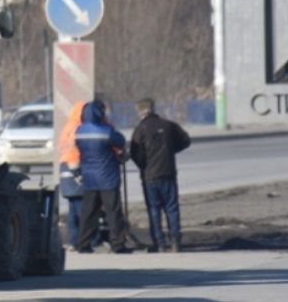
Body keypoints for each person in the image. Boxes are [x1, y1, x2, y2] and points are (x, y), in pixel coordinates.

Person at [130, 98, 191, 253]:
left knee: (154, 210)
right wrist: (171, 150)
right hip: (169, 173)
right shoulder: (169, 125)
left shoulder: (140, 129)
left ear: (140, 111)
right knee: (172, 208)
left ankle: (160, 243)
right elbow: (185, 140)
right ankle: (175, 241)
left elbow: (135, 153)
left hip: (150, 176)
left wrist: (143, 165)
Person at [74, 99, 130, 253]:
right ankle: (117, 244)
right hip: (107, 178)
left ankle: (83, 244)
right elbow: (120, 141)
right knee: (113, 213)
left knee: (89, 214)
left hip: (90, 178)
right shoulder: (106, 131)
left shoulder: (79, 132)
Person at [57, 100, 87, 249]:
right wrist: (78, 173)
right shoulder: (78, 128)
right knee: (81, 209)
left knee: (73, 209)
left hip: (65, 169)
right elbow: (75, 150)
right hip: (74, 168)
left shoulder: (68, 127)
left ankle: (74, 240)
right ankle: (82, 240)